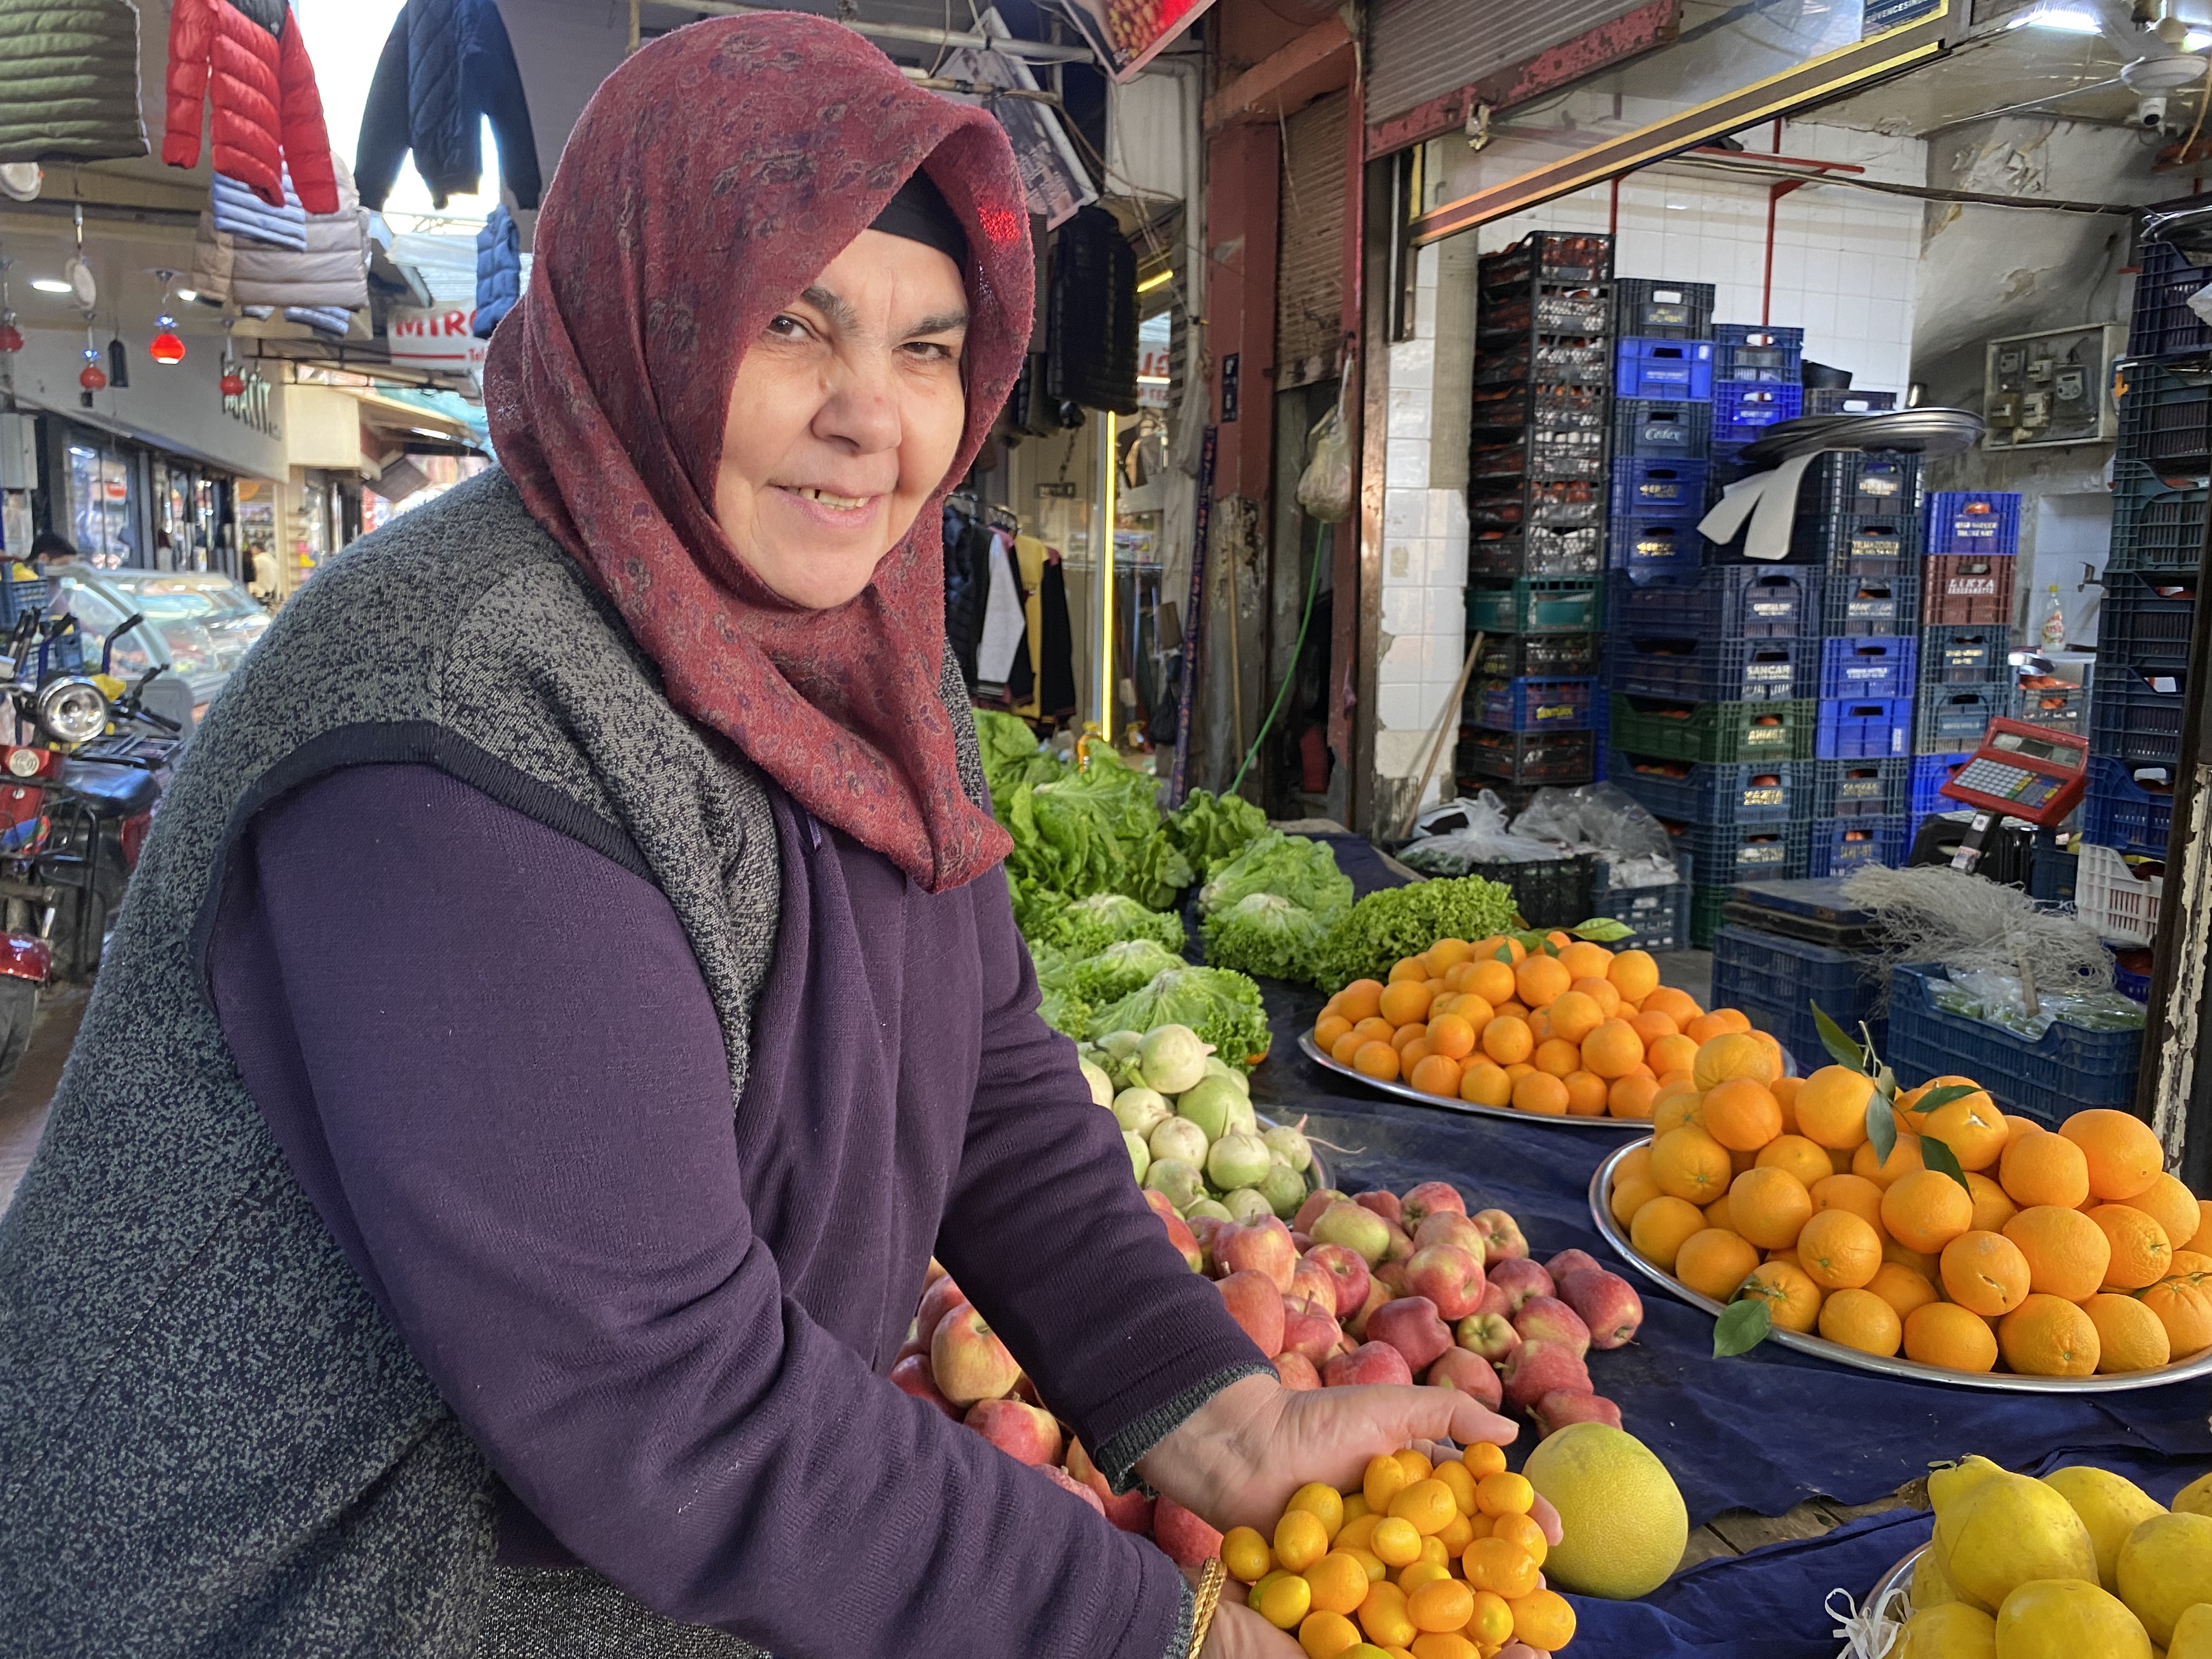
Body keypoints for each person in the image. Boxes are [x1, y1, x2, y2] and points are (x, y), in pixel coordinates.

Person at [0, 18, 1548, 1658]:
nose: (874, 418)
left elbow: (989, 1070)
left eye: (933, 348)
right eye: (796, 323)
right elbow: (656, 1385)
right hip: (295, 1588)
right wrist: (1140, 1629)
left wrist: (1213, 1414)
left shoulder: (867, 643)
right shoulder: (451, 721)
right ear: (648, 309)